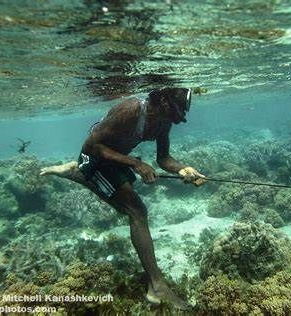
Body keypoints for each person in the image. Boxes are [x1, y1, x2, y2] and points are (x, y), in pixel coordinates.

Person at [39, 87, 206, 309]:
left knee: (128, 208)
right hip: (95, 157)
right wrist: (137, 164)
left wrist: (184, 169)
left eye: (177, 117)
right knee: (137, 211)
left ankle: (75, 172)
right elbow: (93, 146)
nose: (172, 121)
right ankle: (156, 287)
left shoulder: (164, 120)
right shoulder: (131, 110)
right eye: (173, 114)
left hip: (116, 158)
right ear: (163, 102)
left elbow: (164, 158)